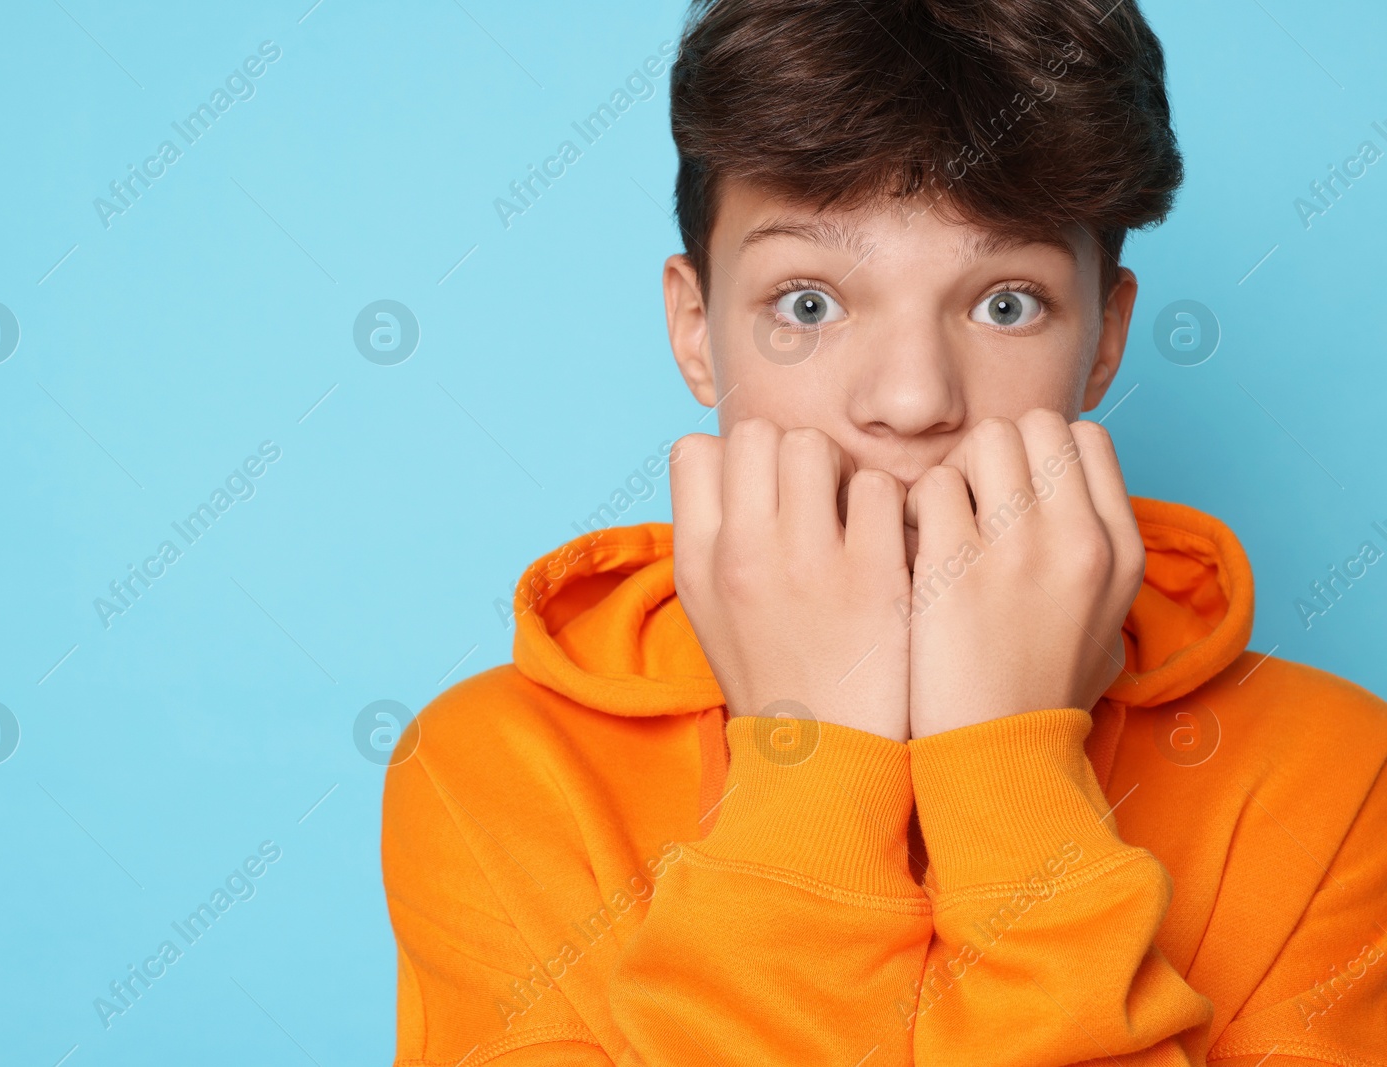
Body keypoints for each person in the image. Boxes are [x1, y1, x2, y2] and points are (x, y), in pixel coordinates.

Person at [381, 1, 1387, 1063]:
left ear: (1104, 339)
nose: (911, 400)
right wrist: (813, 761)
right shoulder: (495, 772)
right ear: (696, 329)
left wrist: (1010, 764)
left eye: (1006, 303)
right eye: (807, 302)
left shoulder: (1329, 773)